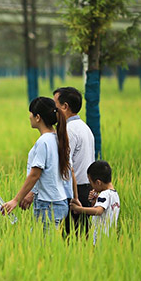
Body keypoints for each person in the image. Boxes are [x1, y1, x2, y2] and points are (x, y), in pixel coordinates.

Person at [0, 97, 76, 231]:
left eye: (31, 113)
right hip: (60, 202)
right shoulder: (59, 139)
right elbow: (70, 172)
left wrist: (16, 200)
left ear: (38, 117)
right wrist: (74, 197)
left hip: (48, 205)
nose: (29, 117)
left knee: (45, 248)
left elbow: (35, 174)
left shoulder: (44, 142)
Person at [54, 87, 95, 234]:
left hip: (75, 190)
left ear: (65, 107)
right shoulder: (84, 127)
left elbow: (66, 165)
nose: (53, 111)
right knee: (80, 234)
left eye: (55, 106)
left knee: (72, 235)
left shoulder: (69, 129)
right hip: (87, 188)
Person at [70, 160, 120, 245]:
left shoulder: (104, 194)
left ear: (98, 182)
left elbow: (98, 211)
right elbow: (103, 211)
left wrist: (78, 209)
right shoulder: (115, 194)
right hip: (110, 238)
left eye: (91, 182)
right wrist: (94, 202)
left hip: (100, 239)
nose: (91, 186)